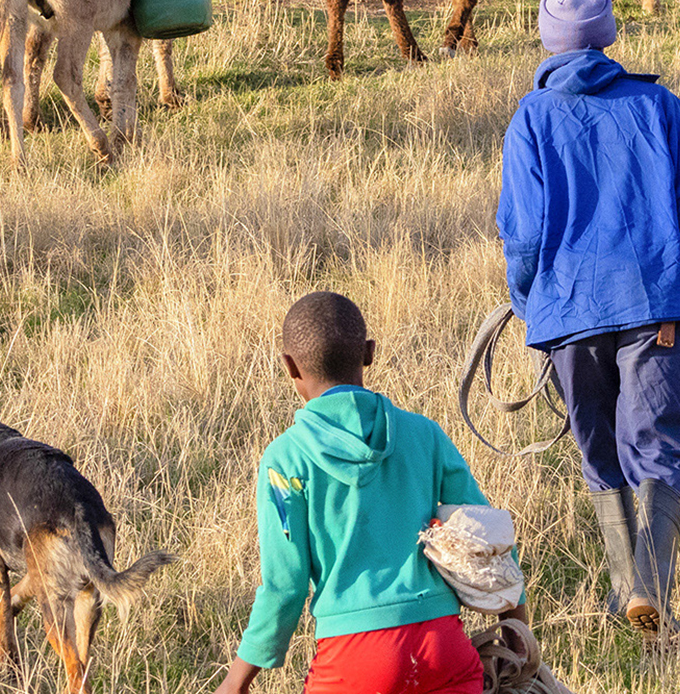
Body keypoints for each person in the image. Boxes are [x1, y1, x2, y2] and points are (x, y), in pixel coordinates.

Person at [495, 0, 680, 642]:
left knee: (599, 451)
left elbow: (520, 236)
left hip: (567, 312)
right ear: (607, 38)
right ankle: (645, 590)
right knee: (659, 450)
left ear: (547, 42)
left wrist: (532, 308)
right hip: (656, 305)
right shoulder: (658, 106)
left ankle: (628, 594)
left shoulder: (530, 117)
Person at [213, 291, 527, 694]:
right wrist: (516, 640)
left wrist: (236, 680)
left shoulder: (285, 459)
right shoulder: (424, 434)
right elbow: (491, 538)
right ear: (369, 353)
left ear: (289, 366)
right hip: (442, 648)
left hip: (353, 659)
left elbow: (284, 586)